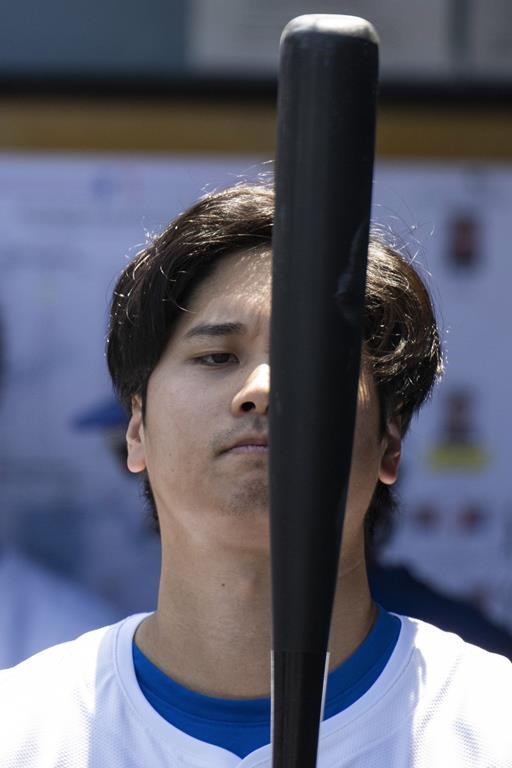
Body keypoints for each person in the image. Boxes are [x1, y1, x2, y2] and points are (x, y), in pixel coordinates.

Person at [0, 183, 510, 767]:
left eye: (313, 360)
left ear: (390, 441)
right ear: (136, 429)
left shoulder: (492, 727)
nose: (261, 390)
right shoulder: (22, 730)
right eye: (216, 357)